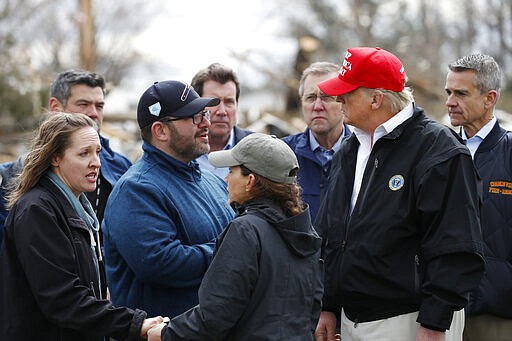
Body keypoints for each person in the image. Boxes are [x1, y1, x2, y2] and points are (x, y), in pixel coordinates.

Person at [314, 47, 484, 341]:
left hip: (411, 322)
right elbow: (330, 235)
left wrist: (434, 322)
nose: (337, 100)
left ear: (376, 98)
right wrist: (327, 304)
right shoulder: (348, 150)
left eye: (346, 93)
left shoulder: (439, 151)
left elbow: (455, 245)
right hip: (352, 319)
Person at [0, 113, 163, 340]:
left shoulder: (75, 207)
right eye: (83, 153)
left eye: (97, 151)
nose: (96, 162)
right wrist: (134, 323)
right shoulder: (37, 210)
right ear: (55, 157)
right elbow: (62, 299)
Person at [146, 133, 323, 341]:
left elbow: (216, 314)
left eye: (231, 171)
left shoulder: (246, 229)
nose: (226, 178)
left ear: (251, 181)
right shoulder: (304, 230)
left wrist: (167, 333)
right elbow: (313, 306)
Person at [102, 80, 235, 319]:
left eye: (203, 114)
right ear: (160, 131)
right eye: (194, 117)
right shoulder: (136, 190)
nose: (206, 123)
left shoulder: (209, 179)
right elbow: (161, 263)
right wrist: (234, 249)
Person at [0, 69, 132, 241]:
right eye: (83, 104)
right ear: (56, 107)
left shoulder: (122, 168)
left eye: (99, 106)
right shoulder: (13, 175)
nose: (93, 113)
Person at [445, 53, 512, 341]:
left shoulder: (508, 152)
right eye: (448, 92)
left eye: (461, 93)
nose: (450, 101)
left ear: (489, 98)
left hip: (496, 314)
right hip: (441, 310)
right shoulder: (438, 151)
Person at [283, 61, 351, 222]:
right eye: (311, 98)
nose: (318, 106)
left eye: (327, 97)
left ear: (343, 101)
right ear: (301, 103)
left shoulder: (364, 154)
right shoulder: (282, 154)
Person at [191, 63, 252, 178]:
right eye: (213, 102)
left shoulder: (257, 150)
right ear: (196, 106)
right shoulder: (180, 151)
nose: (222, 111)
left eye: (229, 102)